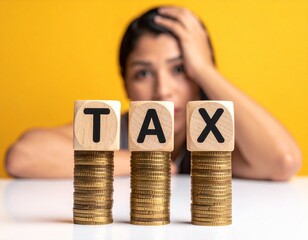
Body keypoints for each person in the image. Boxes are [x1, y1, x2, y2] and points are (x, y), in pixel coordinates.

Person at [5, 6, 302, 180]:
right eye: (143, 73)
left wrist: (205, 68)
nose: (162, 91)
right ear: (125, 83)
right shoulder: (111, 131)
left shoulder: (210, 144)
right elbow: (23, 157)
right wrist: (151, 163)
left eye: (180, 69)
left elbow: (283, 161)